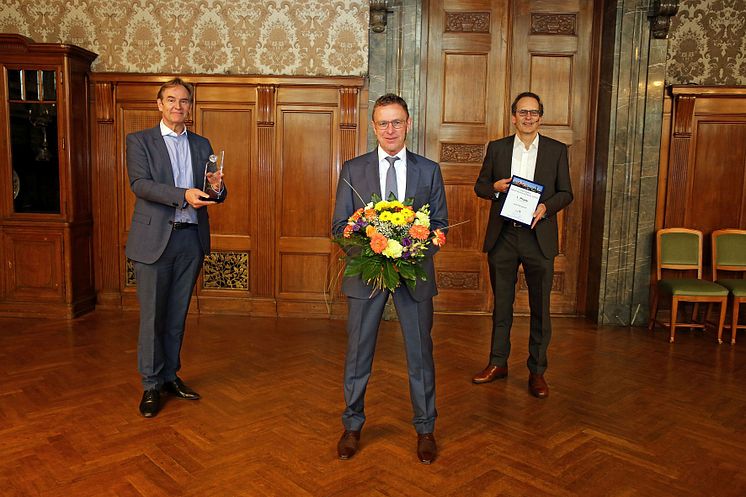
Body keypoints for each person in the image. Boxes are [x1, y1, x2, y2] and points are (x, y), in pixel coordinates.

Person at [331, 94, 448, 464]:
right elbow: (339, 226)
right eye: (383, 123)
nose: (390, 129)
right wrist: (372, 253)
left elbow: (440, 226)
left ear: (409, 124)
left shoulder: (429, 170)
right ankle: (352, 426)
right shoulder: (353, 168)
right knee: (358, 352)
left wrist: (410, 250)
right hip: (367, 275)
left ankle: (425, 428)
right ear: (373, 127)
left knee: (419, 353)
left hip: (414, 275)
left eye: (397, 122)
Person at [126, 78, 225, 418]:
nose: (177, 107)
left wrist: (217, 186)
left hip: (190, 239)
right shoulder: (139, 141)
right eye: (171, 100)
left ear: (189, 107)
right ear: (159, 104)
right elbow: (140, 185)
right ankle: (151, 384)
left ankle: (170, 376)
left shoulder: (202, 144)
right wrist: (181, 195)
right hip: (154, 241)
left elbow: (212, 193)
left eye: (183, 101)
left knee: (177, 316)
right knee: (153, 316)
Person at [472, 92, 572, 399]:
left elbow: (566, 192)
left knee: (540, 307)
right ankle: (498, 362)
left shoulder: (556, 150)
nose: (528, 117)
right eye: (522, 112)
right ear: (513, 116)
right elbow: (480, 186)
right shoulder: (498, 148)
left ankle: (537, 371)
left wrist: (546, 207)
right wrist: (495, 188)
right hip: (504, 236)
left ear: (541, 116)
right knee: (502, 304)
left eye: (534, 112)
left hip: (538, 237)